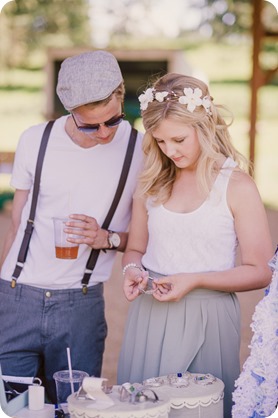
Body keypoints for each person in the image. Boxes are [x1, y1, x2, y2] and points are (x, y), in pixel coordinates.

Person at [117, 73, 273, 418]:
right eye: (159, 142)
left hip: (210, 316)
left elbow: (260, 271)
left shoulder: (237, 186)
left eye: (178, 139)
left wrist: (195, 279)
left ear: (204, 126)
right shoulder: (151, 182)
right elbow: (135, 249)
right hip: (150, 314)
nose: (169, 151)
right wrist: (132, 270)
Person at [0, 50, 143, 403]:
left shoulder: (141, 149)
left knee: (73, 408)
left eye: (112, 120)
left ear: (121, 94)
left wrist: (105, 238)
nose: (104, 133)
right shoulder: (36, 139)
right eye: (89, 125)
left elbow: (142, 238)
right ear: (69, 110)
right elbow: (18, 222)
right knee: (13, 406)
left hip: (80, 306)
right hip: (17, 295)